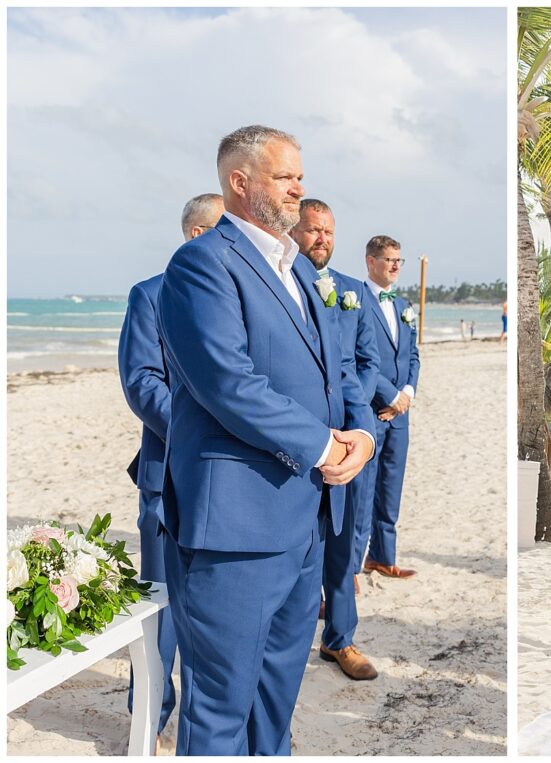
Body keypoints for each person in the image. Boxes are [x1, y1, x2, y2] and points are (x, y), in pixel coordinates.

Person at [156, 125, 376, 755]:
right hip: (238, 525)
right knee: (221, 701)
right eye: (285, 177)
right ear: (240, 182)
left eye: (300, 176)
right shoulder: (202, 264)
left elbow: (338, 368)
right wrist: (324, 446)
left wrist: (359, 432)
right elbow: (228, 382)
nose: (299, 188)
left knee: (278, 694)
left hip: (307, 518)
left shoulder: (299, 271)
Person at [118, 192, 223, 749]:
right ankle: (150, 718)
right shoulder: (150, 296)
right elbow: (141, 384)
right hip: (167, 474)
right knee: (159, 610)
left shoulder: (239, 300)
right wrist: (203, 432)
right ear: (194, 234)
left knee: (214, 611)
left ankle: (206, 727)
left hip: (232, 485)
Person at [290, 198, 381, 681]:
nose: (321, 238)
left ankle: (340, 640)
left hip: (348, 441)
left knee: (344, 547)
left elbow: (363, 364)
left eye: (328, 231)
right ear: (293, 231)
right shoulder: (275, 287)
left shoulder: (351, 292)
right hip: (297, 441)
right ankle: (289, 643)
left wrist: (358, 427)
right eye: (312, 230)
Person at [353, 235, 421, 580]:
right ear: (370, 261)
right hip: (372, 411)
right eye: (389, 259)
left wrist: (406, 392)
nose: (395, 266)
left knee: (391, 488)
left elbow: (413, 356)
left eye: (399, 260)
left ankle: (382, 556)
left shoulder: (404, 304)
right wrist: (390, 397)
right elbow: (356, 357)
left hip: (400, 415)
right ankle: (351, 567)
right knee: (363, 493)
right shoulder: (355, 300)